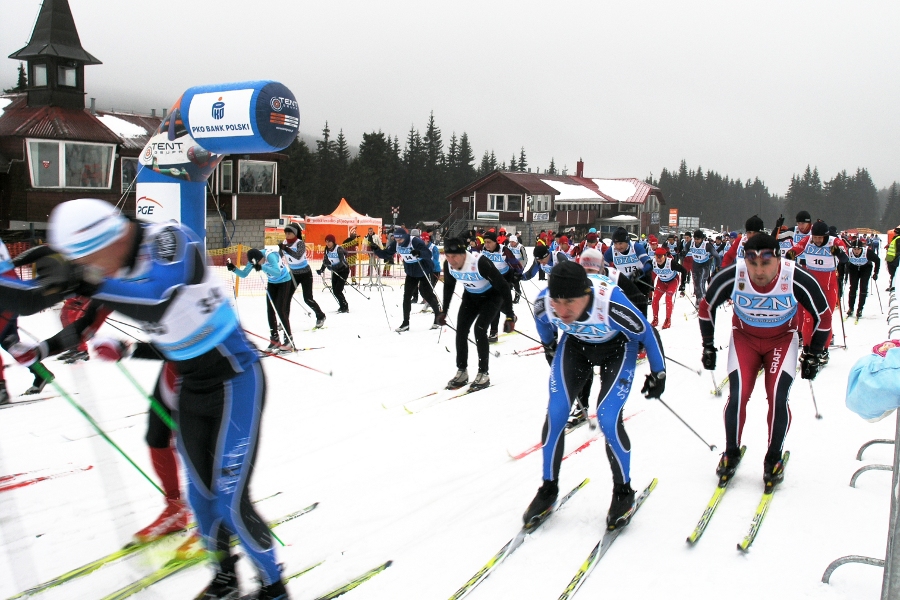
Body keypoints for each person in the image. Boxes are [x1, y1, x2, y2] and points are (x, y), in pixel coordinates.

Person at [36, 198, 289, 599]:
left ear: (112, 237)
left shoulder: (170, 238)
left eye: (90, 258)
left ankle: (274, 589)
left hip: (235, 380)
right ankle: (224, 579)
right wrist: (34, 352)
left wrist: (86, 281)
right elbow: (84, 327)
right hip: (191, 387)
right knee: (201, 500)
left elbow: (160, 299)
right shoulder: (111, 273)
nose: (93, 269)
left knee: (230, 502)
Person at [523, 261, 667, 531]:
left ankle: (623, 491)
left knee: (608, 417)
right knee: (555, 415)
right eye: (557, 301)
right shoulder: (545, 302)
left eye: (569, 302)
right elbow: (543, 322)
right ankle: (548, 488)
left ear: (586, 294)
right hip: (576, 346)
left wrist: (658, 373)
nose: (561, 310)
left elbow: (647, 333)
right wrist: (549, 345)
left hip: (618, 347)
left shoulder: (611, 303)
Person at [699, 233, 831, 489]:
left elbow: (823, 316)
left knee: (777, 397)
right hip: (744, 339)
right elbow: (706, 307)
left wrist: (814, 353)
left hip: (781, 340)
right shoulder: (733, 275)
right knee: (738, 396)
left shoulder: (794, 276)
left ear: (779, 260)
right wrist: (708, 345)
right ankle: (731, 452)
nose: (759, 271)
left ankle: (773, 457)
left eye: (766, 263)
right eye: (752, 263)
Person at [437, 238, 516, 391]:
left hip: (492, 297)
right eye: (448, 256)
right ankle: (462, 371)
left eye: (455, 256)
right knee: (461, 331)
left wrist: (510, 315)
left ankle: (483, 373)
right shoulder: (448, 265)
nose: (451, 260)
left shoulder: (479, 262)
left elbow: (504, 287)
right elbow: (448, 287)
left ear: (464, 254)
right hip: (471, 297)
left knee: (479, 329)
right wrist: (443, 311)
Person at [788, 219, 847, 357]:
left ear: (826, 236)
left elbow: (845, 259)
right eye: (816, 237)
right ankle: (807, 348)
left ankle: (823, 349)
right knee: (808, 319)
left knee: (825, 319)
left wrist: (838, 252)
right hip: (811, 289)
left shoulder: (834, 242)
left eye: (821, 238)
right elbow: (794, 251)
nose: (818, 240)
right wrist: (789, 256)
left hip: (828, 288)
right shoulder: (808, 240)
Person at [372, 227, 441, 332]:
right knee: (407, 296)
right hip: (411, 272)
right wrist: (376, 249)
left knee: (426, 294)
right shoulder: (396, 243)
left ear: (405, 237)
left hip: (423, 270)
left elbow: (428, 254)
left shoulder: (415, 241)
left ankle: (438, 316)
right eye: (396, 239)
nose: (398, 242)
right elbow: (387, 253)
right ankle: (405, 323)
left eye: (400, 240)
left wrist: (418, 253)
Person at [229, 247, 295, 351]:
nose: (261, 263)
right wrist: (233, 269)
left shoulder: (270, 256)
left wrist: (262, 267)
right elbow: (244, 274)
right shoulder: (254, 260)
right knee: (270, 311)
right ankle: (275, 340)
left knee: (280, 310)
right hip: (272, 283)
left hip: (284, 282)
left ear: (262, 257)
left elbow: (277, 272)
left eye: (261, 261)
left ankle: (289, 340)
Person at [278, 223, 326, 329]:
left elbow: (298, 256)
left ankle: (320, 316)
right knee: (286, 298)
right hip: (293, 274)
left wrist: (285, 249)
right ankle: (283, 321)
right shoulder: (284, 243)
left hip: (305, 274)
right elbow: (278, 258)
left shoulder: (300, 243)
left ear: (294, 234)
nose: (287, 235)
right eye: (285, 233)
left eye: (289, 233)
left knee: (307, 298)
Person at [481, 231, 522, 343]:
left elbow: (517, 266)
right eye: (485, 242)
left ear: (496, 242)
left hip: (504, 281)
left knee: (494, 306)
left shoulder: (504, 251)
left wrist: (515, 278)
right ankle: (511, 316)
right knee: (497, 306)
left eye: (489, 242)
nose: (486, 244)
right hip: (490, 282)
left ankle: (493, 332)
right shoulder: (484, 250)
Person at [649, 247, 687, 329]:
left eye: (661, 257)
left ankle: (668, 319)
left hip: (672, 281)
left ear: (665, 256)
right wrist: (651, 285)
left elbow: (684, 270)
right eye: (656, 257)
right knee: (655, 299)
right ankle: (655, 319)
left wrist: (683, 284)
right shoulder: (653, 262)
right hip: (661, 282)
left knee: (668, 298)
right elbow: (648, 273)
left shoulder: (671, 263)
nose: (658, 259)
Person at [845, 238, 880, 319]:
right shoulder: (849, 252)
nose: (856, 251)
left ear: (862, 248)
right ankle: (851, 308)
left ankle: (860, 309)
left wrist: (876, 272)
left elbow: (877, 260)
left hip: (866, 268)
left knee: (863, 288)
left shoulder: (867, 252)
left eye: (858, 249)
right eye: (854, 249)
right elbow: (842, 261)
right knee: (853, 287)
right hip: (853, 268)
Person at [316, 234, 350, 314]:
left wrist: (333, 267)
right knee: (335, 290)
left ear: (333, 241)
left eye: (329, 241)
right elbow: (326, 261)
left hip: (343, 270)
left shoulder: (339, 249)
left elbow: (342, 262)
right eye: (326, 242)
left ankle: (345, 307)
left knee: (338, 290)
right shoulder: (327, 249)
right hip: (336, 271)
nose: (328, 243)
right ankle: (342, 306)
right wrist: (321, 270)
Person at [686, 230, 719, 307]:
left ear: (702, 239)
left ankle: (705, 301)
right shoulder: (691, 243)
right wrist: (683, 252)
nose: (696, 241)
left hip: (705, 264)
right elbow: (685, 249)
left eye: (698, 239)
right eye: (695, 239)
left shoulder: (707, 245)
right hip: (696, 264)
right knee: (696, 283)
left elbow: (717, 256)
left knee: (702, 282)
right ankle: (698, 300)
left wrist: (718, 266)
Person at [506, 235, 528, 303]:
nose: (511, 243)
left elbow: (525, 258)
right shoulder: (508, 246)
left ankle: (517, 294)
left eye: (513, 242)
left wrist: (522, 267)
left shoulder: (520, 247)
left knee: (515, 281)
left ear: (516, 241)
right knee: (508, 281)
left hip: (518, 266)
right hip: (510, 265)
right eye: (510, 242)